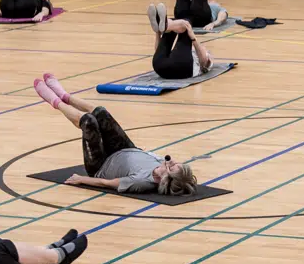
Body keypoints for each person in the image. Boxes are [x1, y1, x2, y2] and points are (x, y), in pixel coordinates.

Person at [32, 72, 198, 196]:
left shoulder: (142, 183)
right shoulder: (162, 164)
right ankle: (66, 96)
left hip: (101, 164)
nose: (172, 161)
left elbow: (108, 183)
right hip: (126, 148)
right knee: (101, 112)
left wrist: (82, 180)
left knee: (89, 122)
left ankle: (54, 101)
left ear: (167, 178)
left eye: (174, 166)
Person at [146, 2, 218, 80]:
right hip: (161, 66)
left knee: (186, 25)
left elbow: (204, 62)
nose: (204, 47)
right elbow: (158, 51)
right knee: (178, 26)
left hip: (177, 68)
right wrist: (158, 33)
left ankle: (165, 25)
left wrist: (193, 38)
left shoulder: (207, 57)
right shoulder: (183, 53)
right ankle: (164, 26)